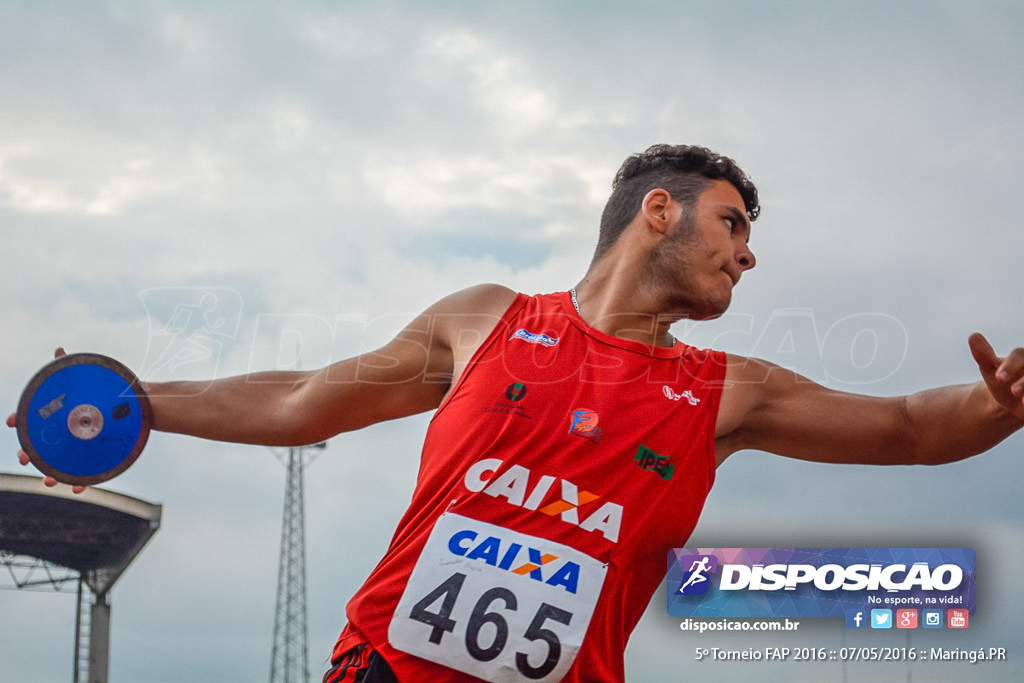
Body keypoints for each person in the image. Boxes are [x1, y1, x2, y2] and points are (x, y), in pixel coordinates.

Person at [9, 144, 1024, 682]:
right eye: (732, 222)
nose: (747, 251)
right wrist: (139, 406)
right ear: (655, 213)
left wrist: (996, 404)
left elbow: (908, 429)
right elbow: (299, 396)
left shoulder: (726, 389)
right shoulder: (483, 324)